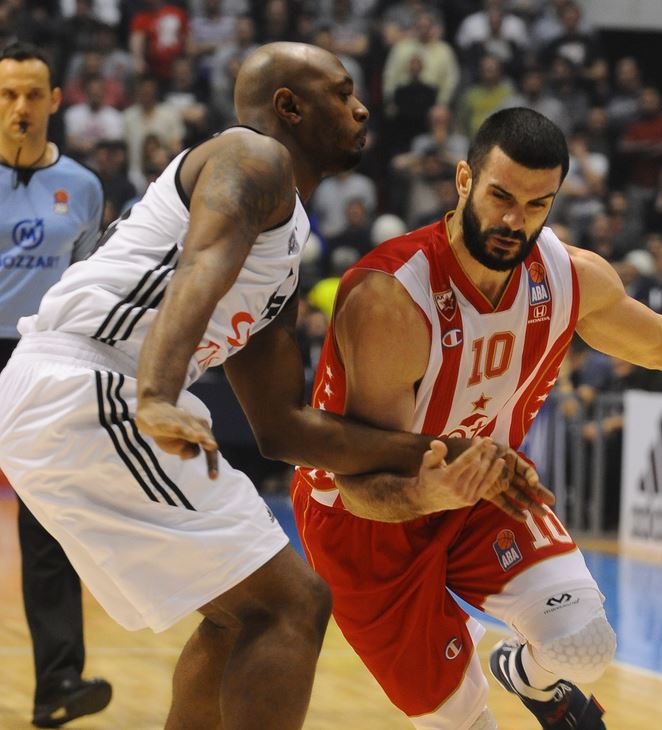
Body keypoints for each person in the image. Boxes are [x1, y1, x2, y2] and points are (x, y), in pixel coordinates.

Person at [0, 43, 543, 730]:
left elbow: (283, 428)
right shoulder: (251, 156)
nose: (361, 107)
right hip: (95, 383)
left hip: (77, 392)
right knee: (294, 604)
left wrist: (435, 451)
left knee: (240, 616)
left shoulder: (281, 246)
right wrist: (159, 394)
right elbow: (202, 262)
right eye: (343, 93)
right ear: (289, 106)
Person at [290, 108, 662, 730]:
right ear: (463, 181)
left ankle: (526, 676)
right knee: (460, 720)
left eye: (537, 204)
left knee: (584, 644)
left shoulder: (567, 275)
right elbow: (359, 482)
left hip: (483, 484)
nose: (515, 220)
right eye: (501, 196)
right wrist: (431, 488)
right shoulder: (391, 298)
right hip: (364, 522)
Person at [0, 41, 112, 728]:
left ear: (54, 101)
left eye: (32, 95)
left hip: (45, 357)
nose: (20, 107)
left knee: (48, 521)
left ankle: (59, 683)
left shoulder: (85, 186)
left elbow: (90, 285)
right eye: (9, 94)